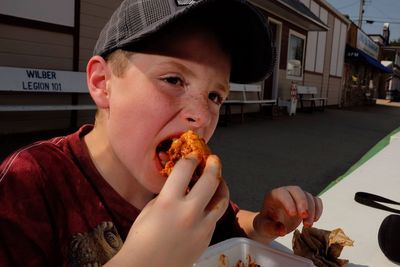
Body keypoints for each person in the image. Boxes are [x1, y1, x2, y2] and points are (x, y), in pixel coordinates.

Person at [0, 0, 323, 266]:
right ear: (102, 83)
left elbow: (226, 226)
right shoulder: (29, 183)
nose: (200, 117)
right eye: (173, 80)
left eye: (214, 96)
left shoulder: (189, 183)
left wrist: (261, 224)